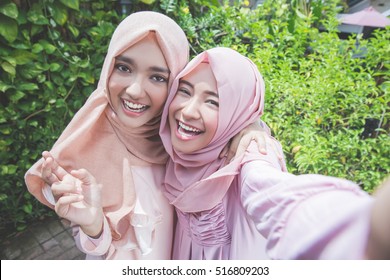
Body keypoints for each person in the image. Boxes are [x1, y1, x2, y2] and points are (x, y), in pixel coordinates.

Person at [24, 12, 270, 260]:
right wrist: (93, 226)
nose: (134, 90)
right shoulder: (84, 143)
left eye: (157, 77)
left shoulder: (179, 142)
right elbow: (95, 247)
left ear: (174, 84)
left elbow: (228, 108)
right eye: (123, 68)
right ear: (108, 67)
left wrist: (250, 125)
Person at [159, 46, 389, 259]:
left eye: (213, 102)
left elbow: (274, 194)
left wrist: (361, 227)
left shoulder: (252, 152)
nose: (188, 111)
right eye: (185, 92)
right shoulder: (173, 148)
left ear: (237, 112)